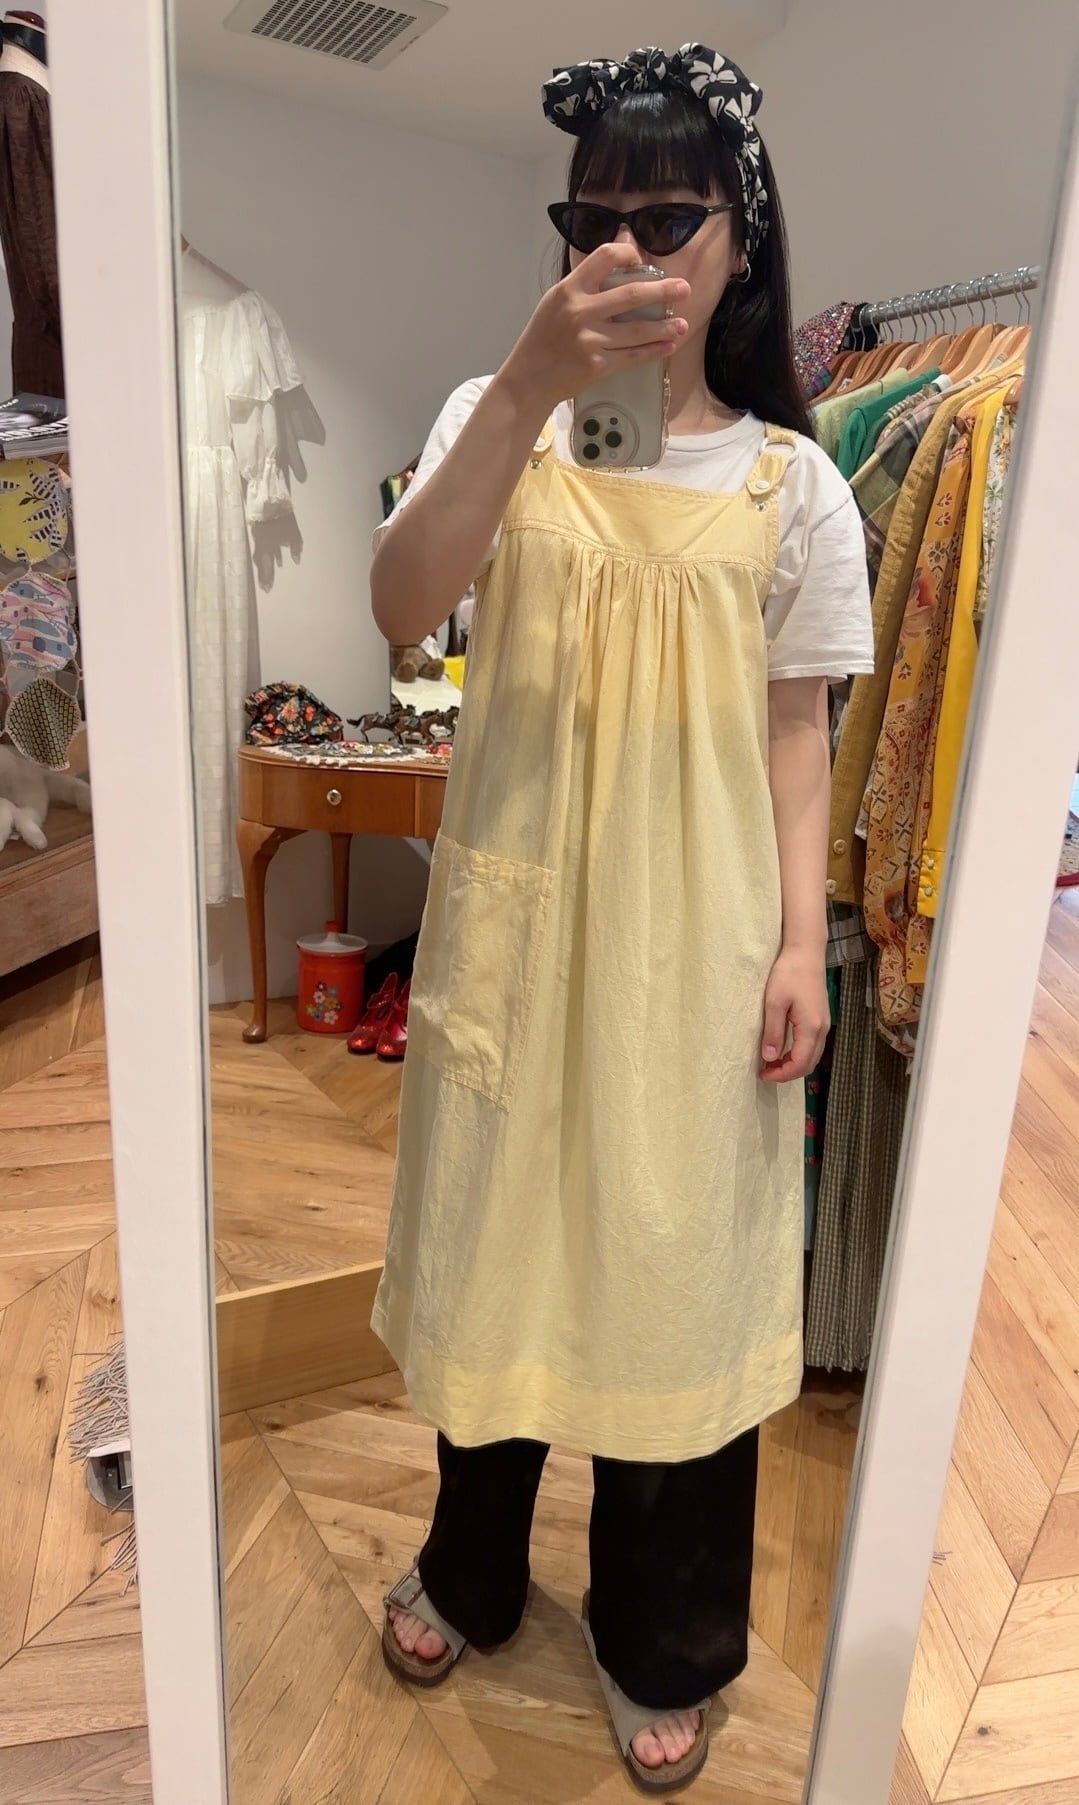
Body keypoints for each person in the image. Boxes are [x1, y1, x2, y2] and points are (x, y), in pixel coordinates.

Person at [369, 43, 874, 1794]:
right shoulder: (491, 416)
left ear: (741, 236)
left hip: (699, 943)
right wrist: (525, 380)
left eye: (671, 218)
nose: (632, 251)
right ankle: (469, 1570)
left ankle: (665, 1635)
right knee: (495, 1240)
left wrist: (802, 943)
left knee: (677, 1276)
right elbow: (401, 604)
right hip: (519, 925)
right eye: (596, 217)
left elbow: (797, 738)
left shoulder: (799, 486)